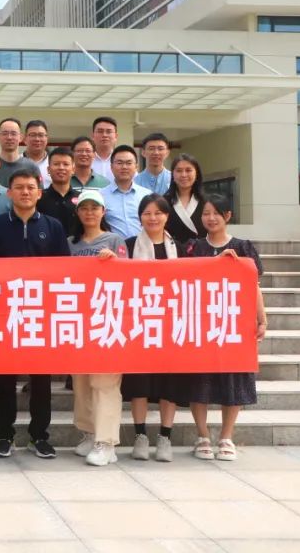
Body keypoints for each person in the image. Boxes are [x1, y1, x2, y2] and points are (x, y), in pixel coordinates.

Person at [0, 169, 71, 459]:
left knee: (41, 378)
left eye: (30, 187)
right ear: (9, 193)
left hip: (40, 311)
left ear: (39, 192)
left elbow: (63, 270)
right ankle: (4, 435)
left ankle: (39, 436)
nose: (25, 192)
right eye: (19, 187)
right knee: (6, 377)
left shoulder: (52, 226)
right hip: (5, 311)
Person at [187, 194, 267, 462]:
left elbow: (253, 286)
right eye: (206, 213)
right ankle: (202, 436)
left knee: (234, 380)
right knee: (199, 381)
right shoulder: (194, 247)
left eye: (216, 213)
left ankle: (226, 437)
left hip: (234, 324)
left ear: (228, 216)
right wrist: (215, 262)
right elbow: (185, 278)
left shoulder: (243, 247)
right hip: (200, 324)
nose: (210, 218)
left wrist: (262, 319)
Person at [122, 194, 187, 463]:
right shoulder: (128, 246)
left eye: (158, 213)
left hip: (170, 326)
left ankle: (165, 437)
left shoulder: (178, 248)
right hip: (138, 325)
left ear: (167, 216)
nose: (153, 218)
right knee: (139, 382)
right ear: (140, 217)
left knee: (169, 383)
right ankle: (140, 436)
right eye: (147, 213)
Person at [66, 189, 128, 466]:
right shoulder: (70, 243)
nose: (89, 212)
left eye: (95, 208)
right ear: (78, 212)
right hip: (78, 319)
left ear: (103, 212)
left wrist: (114, 262)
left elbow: (130, 275)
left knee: (105, 381)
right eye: (84, 208)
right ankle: (89, 433)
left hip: (107, 318)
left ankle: (107, 442)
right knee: (81, 381)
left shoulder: (115, 241)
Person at [101, 145, 151, 239]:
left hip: (142, 246)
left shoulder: (147, 195)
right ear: (111, 167)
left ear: (136, 167)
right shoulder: (101, 196)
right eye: (119, 163)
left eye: (129, 163)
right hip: (112, 247)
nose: (124, 167)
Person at [164, 153, 208, 244]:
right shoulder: (163, 202)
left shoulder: (207, 201)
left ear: (196, 173)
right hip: (172, 251)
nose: (184, 175)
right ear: (173, 175)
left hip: (202, 251)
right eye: (179, 171)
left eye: (188, 170)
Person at [37, 147, 77, 235]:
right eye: (56, 164)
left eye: (66, 164)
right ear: (48, 169)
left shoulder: (81, 198)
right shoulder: (38, 198)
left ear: (73, 170)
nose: (61, 168)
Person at [0, 118, 38, 188]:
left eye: (13, 134)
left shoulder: (31, 166)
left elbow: (39, 192)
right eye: (5, 133)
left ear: (21, 137)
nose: (9, 137)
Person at [23, 119, 52, 188]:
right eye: (33, 135)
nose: (37, 139)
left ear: (47, 139)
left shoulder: (54, 163)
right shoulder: (16, 162)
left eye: (41, 135)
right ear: (25, 139)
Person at [91, 116, 118, 182]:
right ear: (93, 136)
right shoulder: (86, 160)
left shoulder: (122, 160)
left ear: (116, 136)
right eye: (100, 131)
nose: (104, 135)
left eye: (109, 132)